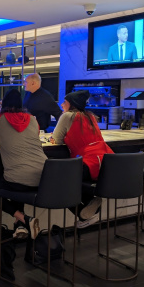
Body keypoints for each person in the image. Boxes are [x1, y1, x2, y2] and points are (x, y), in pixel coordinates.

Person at [50, 90, 114, 228]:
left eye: (64, 102)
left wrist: (51, 137)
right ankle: (90, 204)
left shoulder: (67, 116)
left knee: (56, 181)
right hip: (107, 162)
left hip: (88, 162)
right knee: (70, 178)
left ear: (71, 105)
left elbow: (56, 139)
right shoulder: (90, 116)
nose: (61, 105)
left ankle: (83, 210)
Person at [0, 89, 43, 239]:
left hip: (19, 178)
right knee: (17, 183)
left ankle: (25, 219)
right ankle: (21, 226)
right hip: (45, 177)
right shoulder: (32, 119)